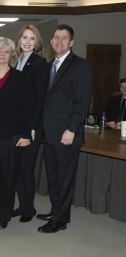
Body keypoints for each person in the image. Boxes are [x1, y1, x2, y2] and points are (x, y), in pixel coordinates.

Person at [37, 24, 92, 233]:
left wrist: (72, 129)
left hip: (67, 134)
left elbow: (83, 102)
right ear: (51, 41)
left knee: (65, 178)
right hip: (50, 134)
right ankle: (56, 210)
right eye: (56, 38)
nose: (59, 41)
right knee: (54, 178)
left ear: (71, 42)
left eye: (64, 38)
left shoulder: (80, 65)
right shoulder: (50, 65)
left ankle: (60, 220)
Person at [0, 37, 32, 230]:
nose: (2, 54)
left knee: (8, 177)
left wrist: (26, 134)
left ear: (11, 55)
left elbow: (28, 108)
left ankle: (4, 214)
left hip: (12, 136)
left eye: (6, 51)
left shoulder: (19, 77)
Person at [11, 25, 49, 223]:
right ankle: (22, 205)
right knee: (17, 167)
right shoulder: (15, 62)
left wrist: (33, 127)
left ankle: (29, 209)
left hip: (31, 125)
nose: (27, 41)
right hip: (16, 124)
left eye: (32, 39)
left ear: (37, 42)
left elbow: (40, 96)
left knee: (26, 167)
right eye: (24, 37)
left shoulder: (39, 63)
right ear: (19, 40)